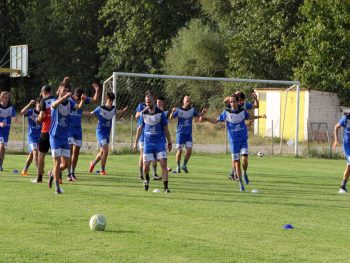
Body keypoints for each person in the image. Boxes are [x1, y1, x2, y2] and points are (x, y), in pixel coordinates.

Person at [202, 94, 265, 191]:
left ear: (237, 102)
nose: (232, 103)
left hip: (243, 139)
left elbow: (249, 117)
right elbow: (216, 120)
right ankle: (240, 183)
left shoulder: (242, 111)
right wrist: (206, 119)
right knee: (237, 163)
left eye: (233, 101)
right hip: (233, 142)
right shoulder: (226, 112)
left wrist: (260, 116)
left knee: (245, 159)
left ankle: (245, 173)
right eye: (230, 102)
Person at [47, 83, 85, 194]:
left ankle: (52, 174)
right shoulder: (55, 101)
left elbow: (78, 107)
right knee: (57, 163)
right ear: (58, 91)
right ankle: (57, 189)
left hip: (65, 137)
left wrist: (81, 100)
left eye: (67, 90)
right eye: (64, 90)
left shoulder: (70, 103)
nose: (66, 92)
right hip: (55, 137)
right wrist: (64, 97)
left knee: (67, 164)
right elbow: (54, 105)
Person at [133, 93, 172, 192]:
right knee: (146, 167)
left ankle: (166, 188)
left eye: (149, 102)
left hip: (159, 143)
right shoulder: (143, 113)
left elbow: (166, 129)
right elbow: (140, 128)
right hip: (148, 144)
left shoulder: (160, 113)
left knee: (163, 163)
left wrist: (169, 142)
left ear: (154, 101)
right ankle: (146, 179)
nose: (148, 104)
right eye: (146, 102)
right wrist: (135, 142)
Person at [84, 91, 127, 175]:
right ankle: (102, 170)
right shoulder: (100, 108)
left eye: (112, 100)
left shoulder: (113, 109)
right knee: (106, 151)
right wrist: (80, 112)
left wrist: (123, 110)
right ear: (105, 100)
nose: (111, 102)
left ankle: (92, 164)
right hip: (100, 132)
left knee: (102, 153)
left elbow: (116, 112)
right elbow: (90, 113)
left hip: (107, 133)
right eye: (109, 100)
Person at [68, 82, 100, 181]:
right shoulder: (69, 99)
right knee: (68, 152)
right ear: (74, 95)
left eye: (80, 98)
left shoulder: (83, 99)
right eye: (77, 97)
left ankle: (73, 173)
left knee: (76, 152)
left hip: (78, 129)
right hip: (69, 129)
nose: (78, 99)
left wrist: (97, 91)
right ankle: (68, 173)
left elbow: (95, 99)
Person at [170, 95, 206, 173]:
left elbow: (198, 115)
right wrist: (172, 112)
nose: (188, 102)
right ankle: (178, 167)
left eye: (189, 101)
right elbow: (171, 118)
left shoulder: (192, 110)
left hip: (188, 134)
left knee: (189, 151)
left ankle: (184, 165)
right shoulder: (179, 110)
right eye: (187, 101)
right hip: (180, 134)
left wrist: (202, 113)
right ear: (183, 101)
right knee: (179, 150)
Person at [229, 90, 260, 182]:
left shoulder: (245, 105)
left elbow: (256, 106)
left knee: (242, 157)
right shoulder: (232, 105)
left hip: (243, 128)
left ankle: (239, 173)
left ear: (240, 99)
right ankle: (234, 173)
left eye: (236, 95)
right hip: (235, 131)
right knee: (235, 156)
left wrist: (256, 99)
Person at [32, 85, 54, 183]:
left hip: (45, 131)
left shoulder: (44, 101)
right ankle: (57, 175)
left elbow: (42, 116)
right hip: (56, 132)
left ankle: (39, 178)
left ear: (43, 92)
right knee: (57, 155)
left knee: (41, 155)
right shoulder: (57, 100)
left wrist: (37, 120)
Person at [21, 98, 42, 176]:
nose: (40, 105)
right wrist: (29, 104)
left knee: (32, 154)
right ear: (36, 104)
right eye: (39, 103)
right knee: (35, 152)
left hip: (39, 137)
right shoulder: (31, 112)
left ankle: (24, 170)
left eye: (41, 104)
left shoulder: (43, 113)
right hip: (31, 136)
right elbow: (22, 112)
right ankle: (39, 171)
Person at [333, 112, 350, 193]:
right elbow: (336, 126)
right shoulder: (346, 118)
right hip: (348, 146)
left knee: (349, 166)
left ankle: (342, 186)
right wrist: (336, 140)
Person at [0, 91, 17, 171]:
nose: (7, 99)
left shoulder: (11, 107)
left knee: (3, 149)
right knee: (2, 145)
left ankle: (0, 165)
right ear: (1, 98)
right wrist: (0, 123)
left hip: (6, 132)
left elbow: (14, 115)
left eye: (8, 98)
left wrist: (14, 118)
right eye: (6, 98)